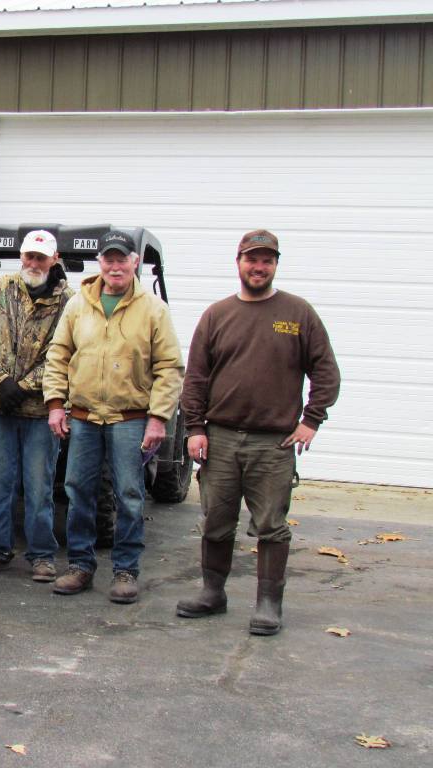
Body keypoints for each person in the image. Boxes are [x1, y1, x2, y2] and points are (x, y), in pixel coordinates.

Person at [176, 229, 340, 635]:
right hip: (220, 439)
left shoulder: (298, 313)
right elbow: (195, 378)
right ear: (239, 262)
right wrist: (195, 428)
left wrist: (311, 420)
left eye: (267, 260)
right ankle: (212, 593)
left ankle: (268, 604)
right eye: (252, 259)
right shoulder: (216, 315)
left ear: (276, 265)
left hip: (273, 444)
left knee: (271, 526)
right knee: (216, 521)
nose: (259, 267)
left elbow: (326, 371)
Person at [43, 230, 184, 602]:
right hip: (84, 418)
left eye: (122, 259)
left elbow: (169, 367)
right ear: (100, 262)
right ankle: (80, 565)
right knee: (78, 492)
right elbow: (58, 355)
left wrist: (159, 418)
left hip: (130, 419)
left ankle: (125, 570)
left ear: (134, 262)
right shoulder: (78, 305)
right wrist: (55, 404)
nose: (115, 266)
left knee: (129, 495)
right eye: (109, 259)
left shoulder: (153, 309)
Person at [0, 230, 72, 582]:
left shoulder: (68, 301)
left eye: (41, 257)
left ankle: (42, 555)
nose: (34, 263)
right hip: (1, 408)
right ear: (21, 256)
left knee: (39, 487)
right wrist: (2, 381)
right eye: (29, 256)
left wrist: (25, 386)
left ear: (54, 259)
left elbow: (63, 354)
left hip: (42, 412)